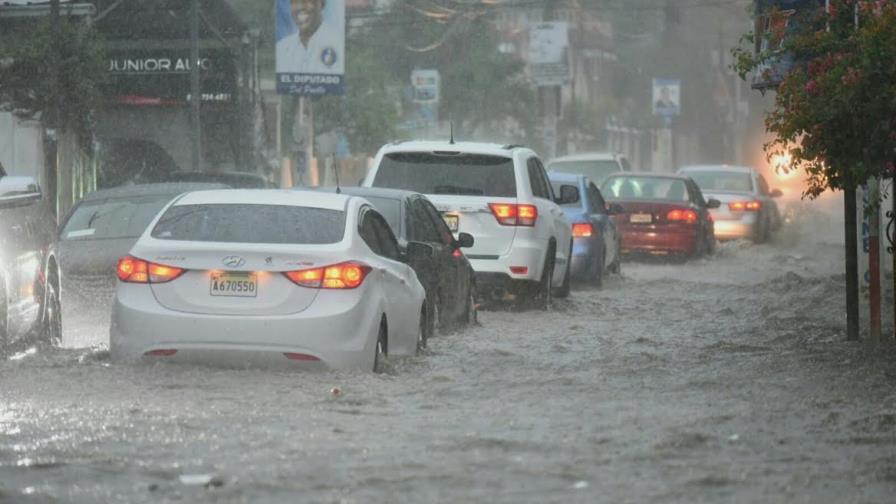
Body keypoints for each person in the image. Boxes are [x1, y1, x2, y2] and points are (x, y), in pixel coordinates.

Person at [276, 0, 343, 75]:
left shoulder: (338, 43)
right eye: (294, 2)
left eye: (307, 1)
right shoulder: (281, 48)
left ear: (322, 4)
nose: (300, 7)